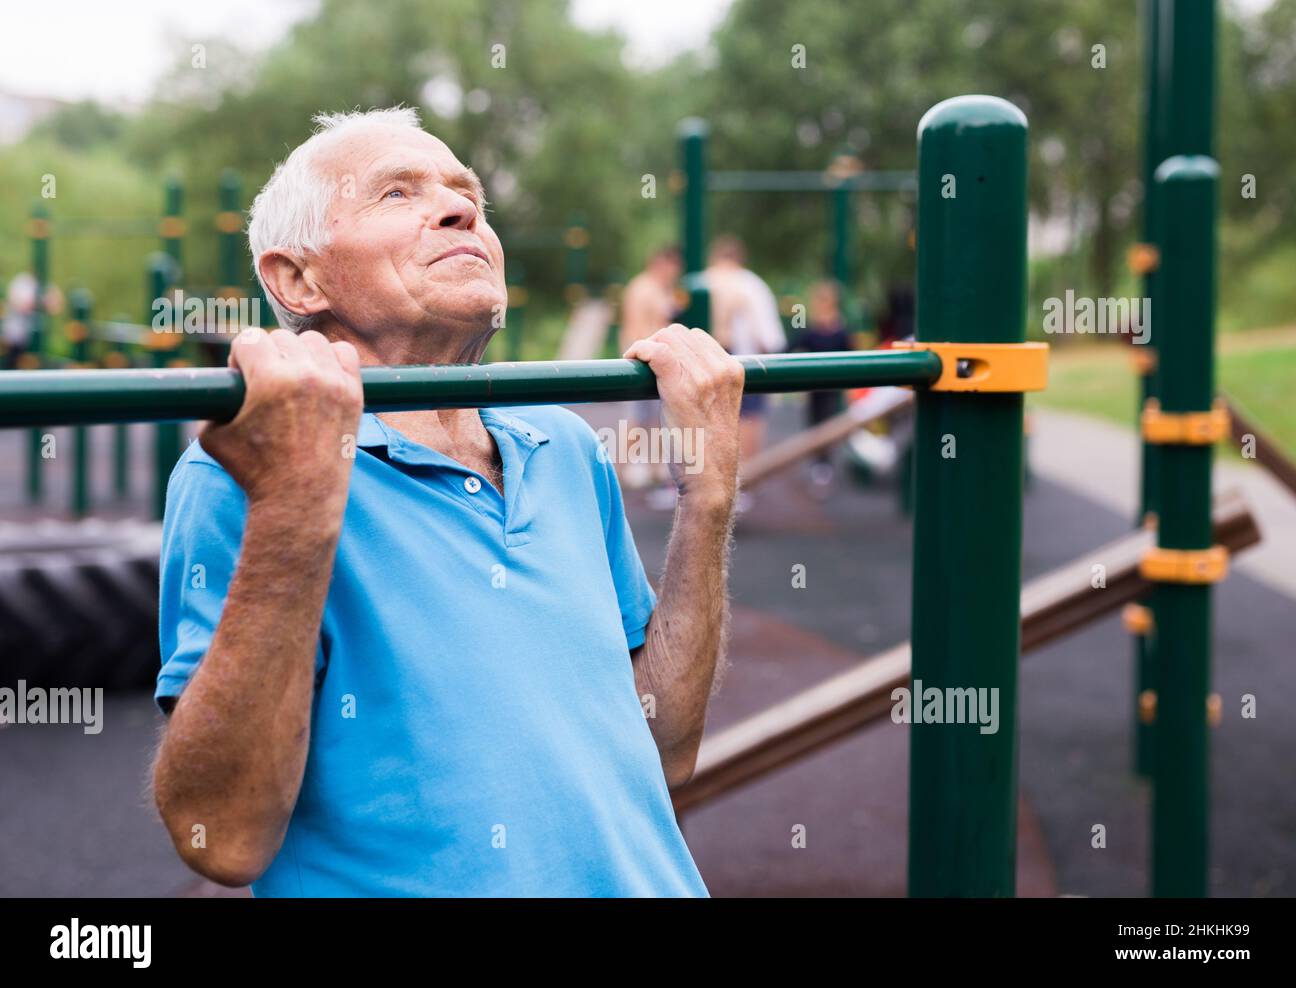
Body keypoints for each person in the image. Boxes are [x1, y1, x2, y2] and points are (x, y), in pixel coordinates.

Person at [150, 108, 744, 898]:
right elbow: (219, 838)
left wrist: (708, 497)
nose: (462, 208)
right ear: (298, 279)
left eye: (469, 194)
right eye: (396, 193)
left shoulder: (562, 445)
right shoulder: (235, 475)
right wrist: (295, 500)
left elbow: (662, 748)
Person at [704, 236, 786, 508]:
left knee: (704, 420)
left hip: (705, 360)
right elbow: (769, 337)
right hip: (746, 361)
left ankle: (705, 485)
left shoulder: (701, 281)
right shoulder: (752, 285)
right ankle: (743, 484)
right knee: (749, 418)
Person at [617, 245, 682, 489]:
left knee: (655, 420)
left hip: (652, 359)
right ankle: (617, 471)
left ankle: (656, 472)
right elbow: (635, 327)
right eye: (674, 267)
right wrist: (641, 360)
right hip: (642, 361)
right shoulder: (642, 288)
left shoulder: (659, 290)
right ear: (663, 264)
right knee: (637, 419)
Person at [789, 280, 853, 489]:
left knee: (828, 422)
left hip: (832, 388)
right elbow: (789, 347)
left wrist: (851, 390)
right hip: (815, 388)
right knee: (814, 422)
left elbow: (851, 357)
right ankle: (819, 464)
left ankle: (825, 465)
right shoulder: (811, 331)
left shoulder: (841, 331)